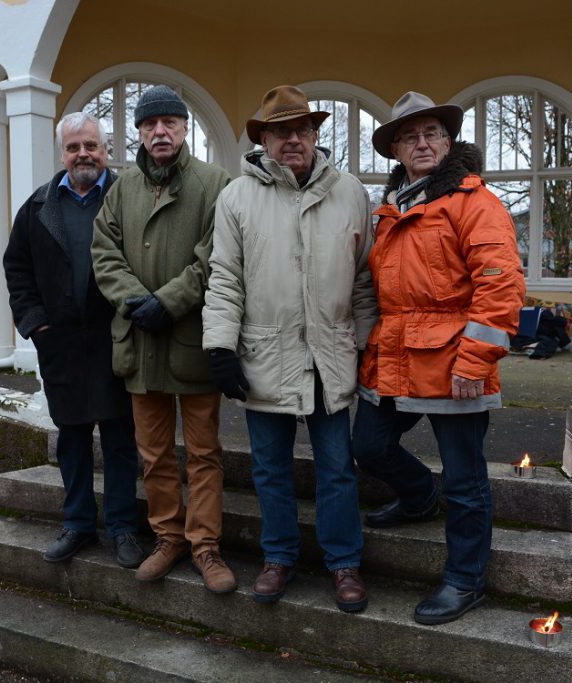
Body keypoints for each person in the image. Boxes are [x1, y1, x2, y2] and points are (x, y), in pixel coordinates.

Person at [352, 92, 525, 625]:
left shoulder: (476, 202)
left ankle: (465, 579)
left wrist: (475, 362)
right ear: (397, 151)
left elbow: (501, 286)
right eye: (409, 136)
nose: (421, 143)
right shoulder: (391, 209)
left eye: (430, 134)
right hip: (395, 354)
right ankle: (417, 497)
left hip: (455, 364)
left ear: (448, 144)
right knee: (369, 445)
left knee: (466, 479)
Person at [203, 85, 376, 612]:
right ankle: (278, 558)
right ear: (265, 140)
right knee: (270, 468)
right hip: (264, 355)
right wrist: (219, 347)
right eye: (281, 132)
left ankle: (344, 563)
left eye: (302, 129)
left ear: (316, 135)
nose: (293, 140)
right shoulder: (236, 197)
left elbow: (365, 281)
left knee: (337, 466)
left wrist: (368, 347)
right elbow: (225, 278)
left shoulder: (350, 193)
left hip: (330, 354)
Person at [91, 86, 236, 594]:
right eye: (151, 125)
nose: (160, 132)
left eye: (170, 123)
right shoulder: (121, 188)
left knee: (203, 453)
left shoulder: (215, 183)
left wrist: (169, 302)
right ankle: (168, 537)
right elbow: (103, 251)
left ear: (184, 127)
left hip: (191, 340)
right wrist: (137, 301)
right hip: (139, 343)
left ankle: (205, 545)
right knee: (152, 453)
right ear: (138, 132)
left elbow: (214, 256)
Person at [3, 112, 143, 570]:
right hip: (61, 344)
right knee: (73, 439)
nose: (83, 154)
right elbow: (17, 269)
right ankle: (79, 523)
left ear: (106, 149)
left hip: (117, 339)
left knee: (122, 438)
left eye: (92, 146)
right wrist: (36, 325)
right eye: (74, 147)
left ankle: (123, 526)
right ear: (61, 153)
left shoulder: (129, 197)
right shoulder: (37, 207)